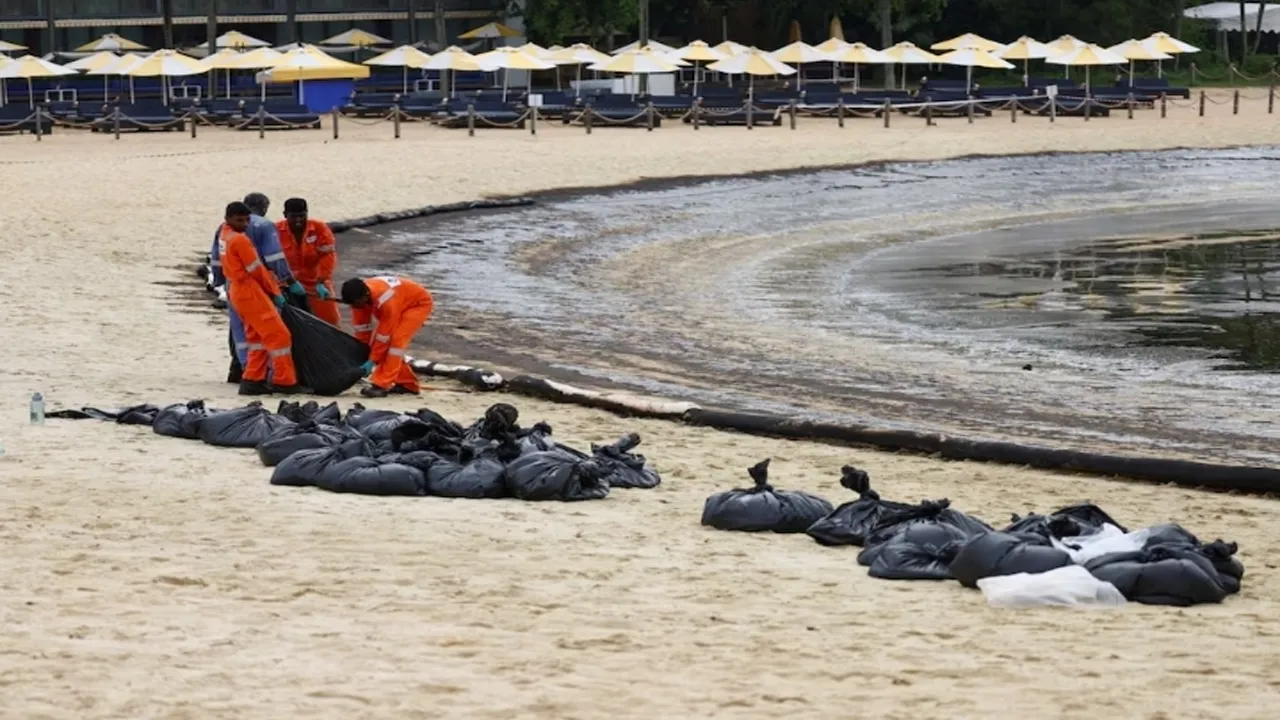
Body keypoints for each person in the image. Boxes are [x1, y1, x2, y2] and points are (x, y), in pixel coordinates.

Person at [209, 192, 306, 382]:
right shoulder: (263, 226)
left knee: (241, 331)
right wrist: (288, 282)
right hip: (256, 287)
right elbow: (273, 259)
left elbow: (216, 259)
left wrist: (219, 282)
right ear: (265, 208)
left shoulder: (224, 229)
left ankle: (242, 370)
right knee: (271, 332)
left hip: (233, 287)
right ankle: (277, 378)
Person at [340, 276, 434, 398]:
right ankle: (408, 384)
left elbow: (384, 337)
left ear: (366, 295)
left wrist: (372, 360)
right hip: (399, 302)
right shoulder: (358, 300)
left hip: (417, 305)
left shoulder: (386, 300)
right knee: (379, 345)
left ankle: (382, 384)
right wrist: (363, 351)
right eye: (352, 304)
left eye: (356, 304)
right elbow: (362, 328)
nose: (355, 307)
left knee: (395, 342)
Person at [275, 198, 340, 326]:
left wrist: (321, 281)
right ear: (285, 215)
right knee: (284, 321)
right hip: (286, 282)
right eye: (294, 217)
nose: (298, 220)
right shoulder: (275, 231)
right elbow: (272, 260)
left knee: (330, 320)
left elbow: (328, 257)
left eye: (302, 216)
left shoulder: (319, 228)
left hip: (315, 282)